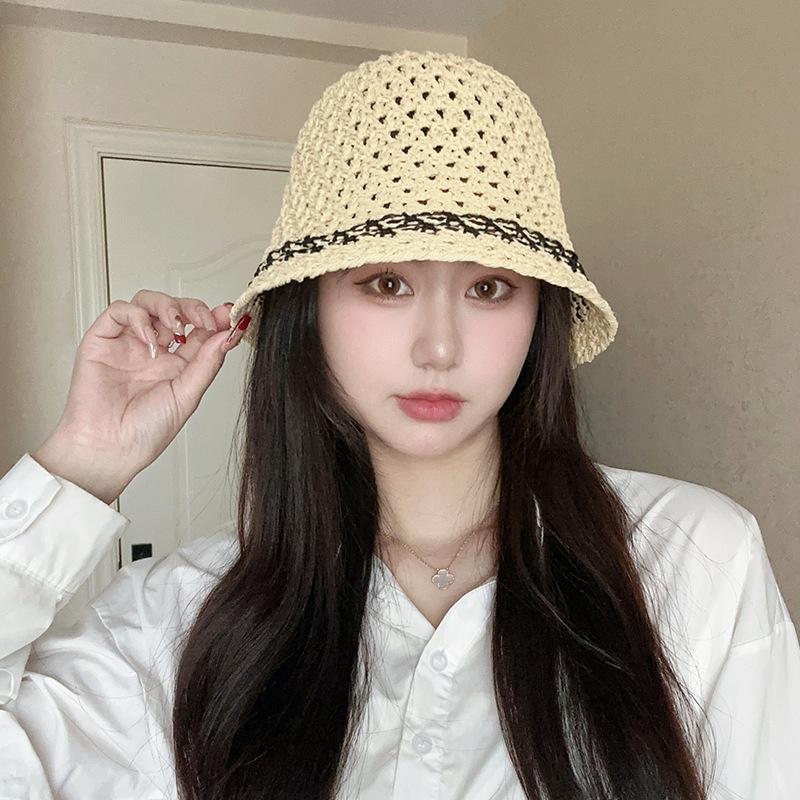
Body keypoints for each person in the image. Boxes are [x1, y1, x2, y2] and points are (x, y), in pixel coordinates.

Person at [1, 49, 799, 800]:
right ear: (310, 308)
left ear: (539, 317)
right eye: (386, 283)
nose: (439, 348)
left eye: (489, 288)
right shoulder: (178, 621)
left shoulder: (691, 560)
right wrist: (83, 463)